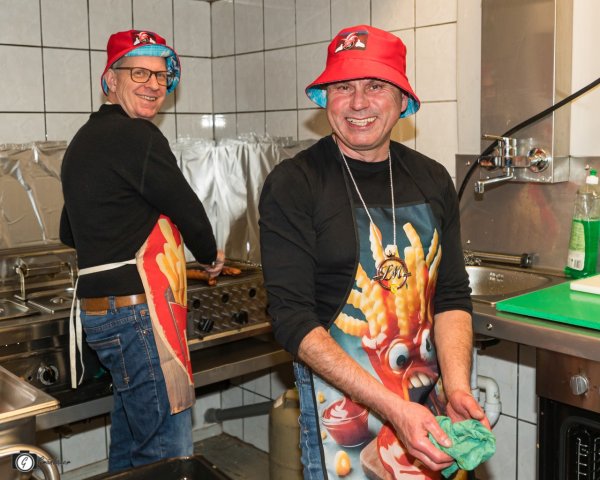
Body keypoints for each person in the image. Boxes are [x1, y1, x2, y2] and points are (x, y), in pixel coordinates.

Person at [259, 25, 488, 479]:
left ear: (402, 101)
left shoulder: (431, 178)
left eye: (376, 86)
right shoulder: (295, 183)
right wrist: (392, 408)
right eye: (343, 87)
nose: (358, 102)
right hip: (338, 405)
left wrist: (458, 387)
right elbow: (292, 319)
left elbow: (451, 296)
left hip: (428, 400)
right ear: (326, 99)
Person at [59, 29, 224, 472]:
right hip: (137, 313)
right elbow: (188, 208)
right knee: (165, 452)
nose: (154, 84)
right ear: (110, 80)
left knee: (133, 441)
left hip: (101, 314)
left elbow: (69, 231)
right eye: (140, 73)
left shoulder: (82, 142)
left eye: (161, 75)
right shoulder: (139, 137)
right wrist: (210, 256)